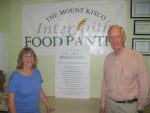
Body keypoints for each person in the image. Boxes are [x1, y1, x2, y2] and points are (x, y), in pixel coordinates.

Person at [99, 25, 150, 113]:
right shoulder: (107, 58)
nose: (114, 41)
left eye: (117, 36)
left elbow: (144, 85)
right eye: (111, 37)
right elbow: (105, 84)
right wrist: (103, 105)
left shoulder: (137, 57)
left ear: (124, 38)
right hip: (110, 105)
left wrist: (140, 107)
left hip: (129, 107)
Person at [8, 47, 54, 113]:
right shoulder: (15, 77)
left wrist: (48, 105)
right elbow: (11, 101)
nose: (29, 58)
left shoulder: (36, 72)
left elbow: (40, 90)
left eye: (31, 56)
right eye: (26, 56)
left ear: (34, 58)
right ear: (21, 59)